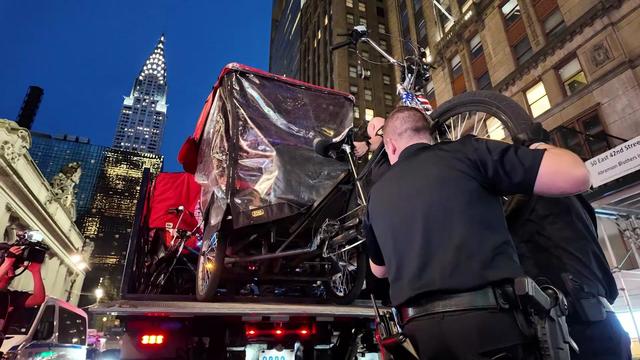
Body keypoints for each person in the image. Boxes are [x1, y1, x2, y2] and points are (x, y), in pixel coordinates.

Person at [365, 106, 591, 359]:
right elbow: (577, 175)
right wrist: (538, 146)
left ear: (391, 146)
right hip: (489, 324)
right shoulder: (467, 151)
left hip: (420, 335)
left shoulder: (376, 195)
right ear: (429, 134)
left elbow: (379, 270)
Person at [506, 125, 632, 360]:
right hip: (600, 320)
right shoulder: (578, 200)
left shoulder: (534, 195)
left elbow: (509, 219)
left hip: (573, 326)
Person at [0, 246, 46, 338]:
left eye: (12, 267)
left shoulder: (10, 297)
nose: (11, 270)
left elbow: (38, 299)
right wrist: (7, 262)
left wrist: (36, 272)